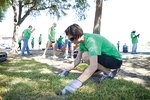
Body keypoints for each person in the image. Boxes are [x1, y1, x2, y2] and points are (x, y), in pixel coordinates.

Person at [59, 24, 122, 95]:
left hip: (115, 60)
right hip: (106, 58)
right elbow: (77, 60)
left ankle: (109, 72)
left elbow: (93, 66)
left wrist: (75, 84)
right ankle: (107, 71)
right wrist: (65, 71)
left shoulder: (91, 41)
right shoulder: (82, 42)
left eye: (72, 39)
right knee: (85, 56)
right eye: (69, 39)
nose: (71, 41)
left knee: (86, 55)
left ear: (78, 35)